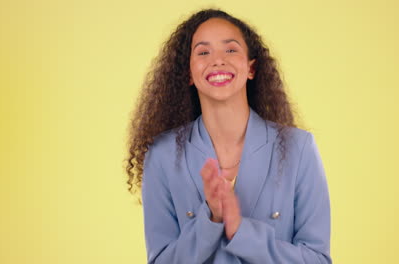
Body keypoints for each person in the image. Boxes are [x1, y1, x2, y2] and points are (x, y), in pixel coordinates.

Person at [126, 9, 332, 264]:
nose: (218, 60)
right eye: (203, 52)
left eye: (231, 50)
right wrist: (211, 220)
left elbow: (318, 260)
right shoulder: (162, 155)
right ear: (188, 74)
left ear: (251, 68)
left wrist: (241, 232)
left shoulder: (298, 148)